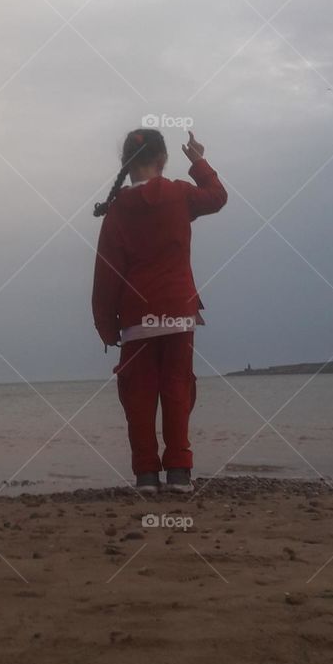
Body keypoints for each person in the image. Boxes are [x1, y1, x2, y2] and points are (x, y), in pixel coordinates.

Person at [91, 128, 227, 493]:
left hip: (137, 317)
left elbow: (107, 271)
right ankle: (180, 473)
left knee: (138, 395)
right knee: (178, 389)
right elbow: (218, 197)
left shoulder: (118, 208)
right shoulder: (180, 194)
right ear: (163, 160)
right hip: (178, 311)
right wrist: (198, 160)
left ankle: (146, 476)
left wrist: (105, 325)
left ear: (125, 164)